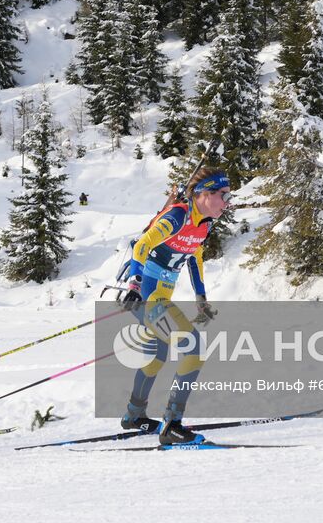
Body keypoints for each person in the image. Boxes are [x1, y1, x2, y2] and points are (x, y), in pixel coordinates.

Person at [117, 167, 230, 446]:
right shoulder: (177, 216)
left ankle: (134, 415)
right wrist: (134, 283)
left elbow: (195, 257)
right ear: (205, 194)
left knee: (158, 354)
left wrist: (201, 298)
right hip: (147, 296)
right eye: (223, 195)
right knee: (194, 349)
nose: (227, 201)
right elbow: (141, 246)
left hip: (160, 296)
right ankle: (173, 425)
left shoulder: (204, 224)